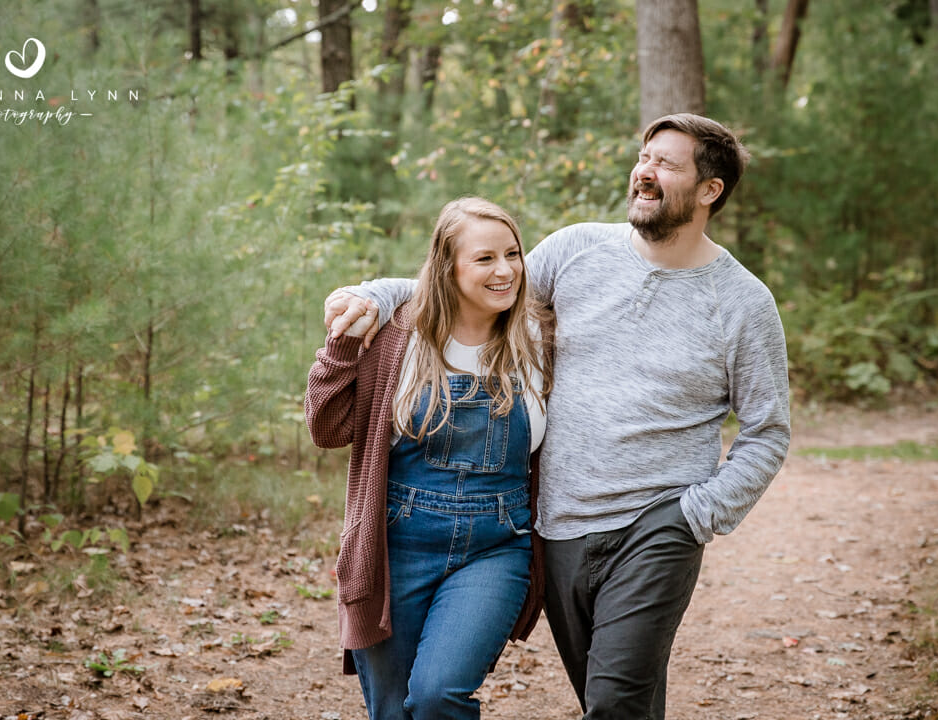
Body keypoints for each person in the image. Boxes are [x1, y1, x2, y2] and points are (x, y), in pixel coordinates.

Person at [323, 114, 791, 719]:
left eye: (666, 164)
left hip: (659, 525)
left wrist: (696, 515)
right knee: (612, 698)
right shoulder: (576, 250)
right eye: (644, 157)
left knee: (614, 702)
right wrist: (374, 294)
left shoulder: (743, 303)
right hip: (560, 525)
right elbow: (477, 288)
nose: (645, 172)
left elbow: (766, 432)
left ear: (710, 189)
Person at [305, 197, 553, 720]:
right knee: (392, 710)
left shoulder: (537, 338)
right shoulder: (399, 336)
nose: (505, 270)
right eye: (484, 258)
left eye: (512, 254)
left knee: (439, 696)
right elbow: (327, 429)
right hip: (396, 547)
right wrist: (343, 343)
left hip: (495, 547)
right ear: (447, 268)